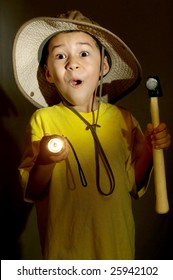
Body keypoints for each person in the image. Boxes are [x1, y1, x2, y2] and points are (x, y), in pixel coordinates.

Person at [13, 10, 170, 260]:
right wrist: (44, 159)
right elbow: (33, 190)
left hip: (116, 251)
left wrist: (151, 149)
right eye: (60, 56)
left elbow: (133, 183)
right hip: (63, 255)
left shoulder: (123, 119)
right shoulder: (43, 120)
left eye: (84, 53)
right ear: (48, 73)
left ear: (103, 66)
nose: (72, 63)